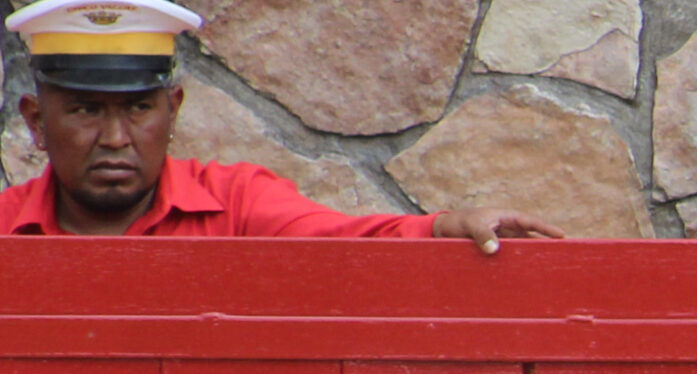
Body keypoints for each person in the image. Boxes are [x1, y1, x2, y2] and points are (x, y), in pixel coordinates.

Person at [2, 0, 561, 248]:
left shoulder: (238, 205)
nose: (116, 138)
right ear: (36, 121)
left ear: (173, 110)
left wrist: (443, 227)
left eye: (138, 109)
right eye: (85, 110)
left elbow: (349, 243)